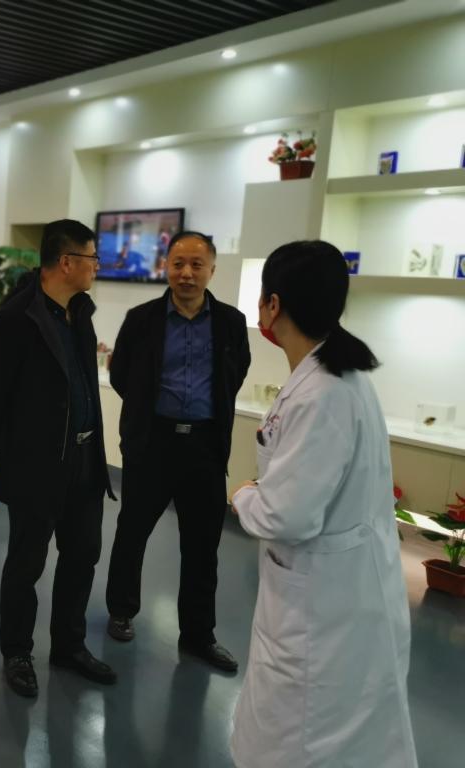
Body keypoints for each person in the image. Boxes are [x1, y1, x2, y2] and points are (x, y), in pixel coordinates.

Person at [229, 240, 416, 767]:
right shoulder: (334, 373)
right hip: (341, 589)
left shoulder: (322, 392)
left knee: (306, 737)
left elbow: (287, 515)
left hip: (323, 608)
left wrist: (243, 495)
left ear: (273, 305)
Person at [0, 219, 116, 698]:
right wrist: (5, 452)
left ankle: (69, 646)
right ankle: (17, 651)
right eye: (92, 258)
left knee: (82, 556)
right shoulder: (16, 319)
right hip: (36, 465)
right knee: (26, 563)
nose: (97, 266)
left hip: (85, 458)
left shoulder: (81, 313)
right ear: (66, 262)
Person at [104, 230, 250, 672]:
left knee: (203, 545)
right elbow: (121, 374)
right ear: (165, 267)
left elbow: (235, 372)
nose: (186, 273)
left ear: (212, 270)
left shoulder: (230, 322)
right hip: (153, 443)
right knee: (132, 532)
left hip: (204, 446)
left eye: (196, 265)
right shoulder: (142, 319)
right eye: (178, 264)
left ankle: (198, 635)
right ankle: (121, 611)